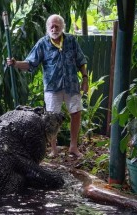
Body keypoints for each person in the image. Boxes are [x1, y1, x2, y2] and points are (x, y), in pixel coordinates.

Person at [7, 14, 88, 158]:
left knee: (76, 113)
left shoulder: (71, 40)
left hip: (71, 85)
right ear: (47, 28)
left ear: (62, 27)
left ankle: (73, 147)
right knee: (51, 118)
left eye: (57, 25)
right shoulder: (42, 43)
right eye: (51, 25)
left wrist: (85, 79)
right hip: (52, 87)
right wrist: (16, 63)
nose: (54, 28)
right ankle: (53, 149)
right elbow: (30, 63)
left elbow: (81, 60)